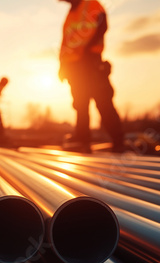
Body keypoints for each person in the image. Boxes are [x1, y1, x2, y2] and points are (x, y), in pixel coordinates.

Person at [58, 0, 124, 153]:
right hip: (74, 67)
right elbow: (66, 43)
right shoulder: (71, 15)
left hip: (90, 61)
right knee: (80, 104)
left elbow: (102, 24)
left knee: (103, 101)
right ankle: (82, 139)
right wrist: (62, 66)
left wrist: (88, 49)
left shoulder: (90, 5)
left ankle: (118, 140)